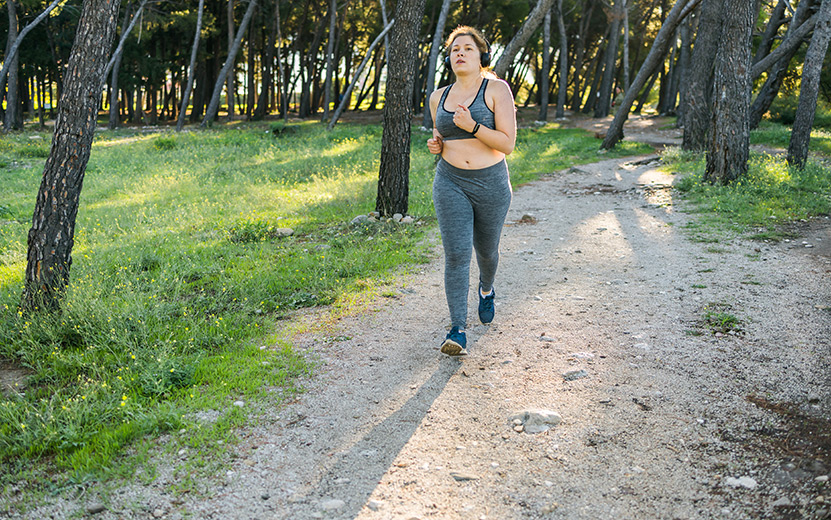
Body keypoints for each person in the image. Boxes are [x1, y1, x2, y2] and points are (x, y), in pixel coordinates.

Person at [427, 26, 516, 356]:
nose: (459, 53)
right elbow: (442, 136)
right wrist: (437, 145)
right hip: (450, 182)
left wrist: (473, 126)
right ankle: (457, 329)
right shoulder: (439, 96)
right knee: (456, 254)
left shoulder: (496, 90)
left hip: (491, 183)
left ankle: (486, 288)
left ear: (482, 56)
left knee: (487, 252)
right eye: (453, 50)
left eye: (467, 48)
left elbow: (507, 144)